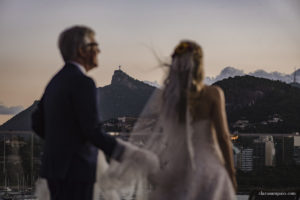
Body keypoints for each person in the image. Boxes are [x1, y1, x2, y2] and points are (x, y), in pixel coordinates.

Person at [99, 40, 237, 200]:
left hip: (178, 170)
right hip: (210, 171)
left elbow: (166, 136)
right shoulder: (213, 93)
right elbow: (223, 137)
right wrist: (231, 174)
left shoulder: (168, 98)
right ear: (198, 65)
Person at [31, 25, 126, 200]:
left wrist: (62, 143)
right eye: (94, 45)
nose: (99, 50)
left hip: (55, 169)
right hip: (77, 170)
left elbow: (37, 122)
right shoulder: (83, 82)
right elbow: (92, 131)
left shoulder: (55, 80)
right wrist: (127, 154)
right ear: (82, 50)